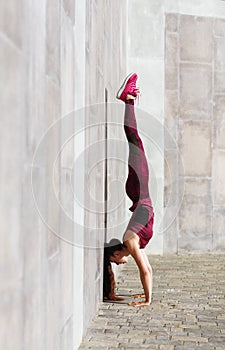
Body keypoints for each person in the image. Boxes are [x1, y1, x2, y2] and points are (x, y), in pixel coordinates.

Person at [103, 73, 154, 307]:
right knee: (135, 143)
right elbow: (148, 269)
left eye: (114, 261)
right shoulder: (133, 244)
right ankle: (129, 100)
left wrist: (147, 300)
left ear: (115, 254)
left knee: (135, 141)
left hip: (140, 191)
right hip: (139, 192)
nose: (117, 262)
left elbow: (144, 271)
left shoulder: (130, 242)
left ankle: (128, 100)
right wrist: (147, 298)